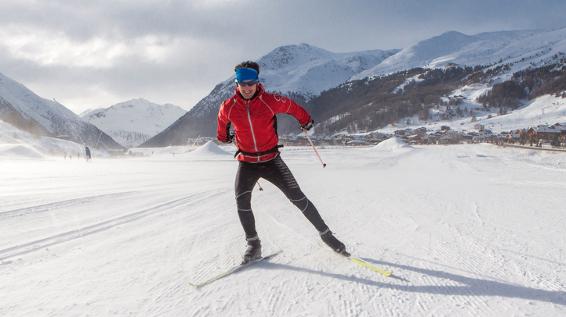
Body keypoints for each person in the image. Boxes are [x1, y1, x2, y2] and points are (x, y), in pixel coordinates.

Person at [217, 61, 348, 263]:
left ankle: (327, 235)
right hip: (247, 162)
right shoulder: (228, 106)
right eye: (242, 83)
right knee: (242, 202)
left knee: (298, 198)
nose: (247, 87)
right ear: (237, 83)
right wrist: (224, 136)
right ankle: (253, 245)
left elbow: (293, 108)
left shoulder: (270, 100)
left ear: (257, 82)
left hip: (271, 161)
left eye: (251, 82)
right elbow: (221, 127)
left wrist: (306, 121)